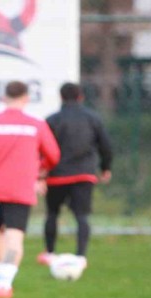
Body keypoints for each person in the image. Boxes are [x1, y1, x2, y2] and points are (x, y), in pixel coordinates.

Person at [0, 81, 60, 298]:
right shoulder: (36, 125)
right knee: (14, 235)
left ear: (4, 98)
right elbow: (53, 155)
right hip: (20, 189)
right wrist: (40, 171)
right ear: (26, 99)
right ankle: (5, 283)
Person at [38, 82, 113, 268]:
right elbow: (106, 146)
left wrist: (41, 174)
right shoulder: (93, 118)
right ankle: (81, 255)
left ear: (61, 97)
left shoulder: (52, 120)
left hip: (56, 175)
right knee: (82, 216)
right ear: (81, 97)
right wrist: (105, 168)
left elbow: (42, 149)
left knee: (52, 214)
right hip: (84, 175)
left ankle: (50, 253)